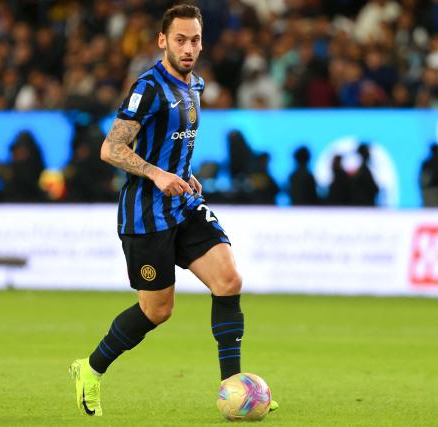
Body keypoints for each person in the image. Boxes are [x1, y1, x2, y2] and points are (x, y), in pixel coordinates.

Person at [68, 5, 277, 417]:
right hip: (145, 215)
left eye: (195, 40)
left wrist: (184, 173)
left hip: (183, 203)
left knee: (229, 279)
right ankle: (90, 369)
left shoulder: (195, 85)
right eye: (180, 39)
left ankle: (234, 391)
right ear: (162, 41)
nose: (188, 47)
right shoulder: (147, 88)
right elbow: (111, 148)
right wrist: (157, 174)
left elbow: (170, 142)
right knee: (157, 310)